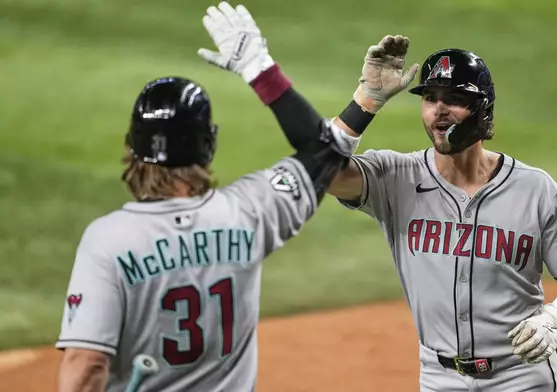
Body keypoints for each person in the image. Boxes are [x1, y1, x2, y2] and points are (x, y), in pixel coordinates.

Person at [54, 2, 365, 391]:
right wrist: (260, 70)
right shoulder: (250, 211)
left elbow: (85, 366)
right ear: (208, 147)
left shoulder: (108, 241)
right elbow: (325, 150)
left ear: (132, 148)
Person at [325, 43, 557, 390]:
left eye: (453, 98)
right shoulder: (396, 178)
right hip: (440, 378)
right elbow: (324, 172)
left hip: (522, 376)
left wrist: (555, 319)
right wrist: (366, 100)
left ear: (482, 109)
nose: (439, 110)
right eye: (430, 98)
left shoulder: (534, 189)